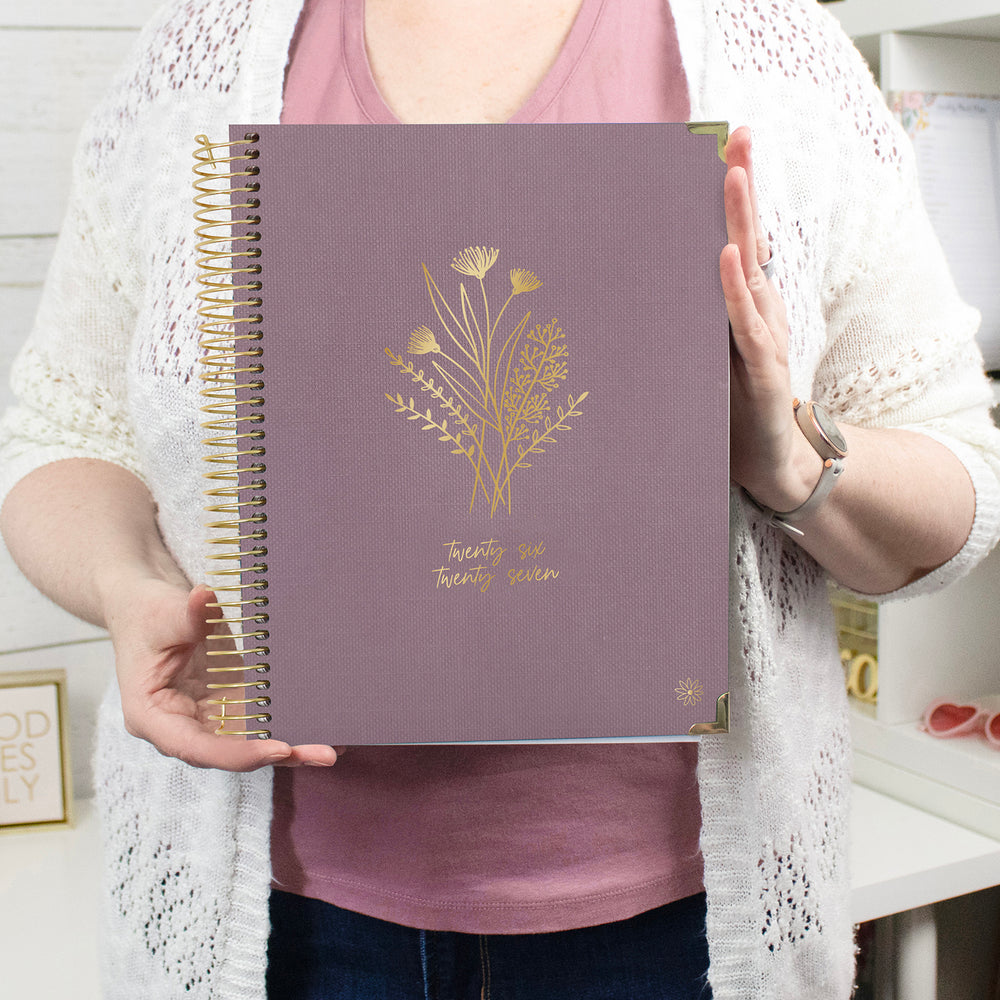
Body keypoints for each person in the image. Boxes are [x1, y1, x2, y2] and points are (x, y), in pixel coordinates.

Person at [2, 0, 998, 997]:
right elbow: (62, 433)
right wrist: (129, 585)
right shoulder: (194, 56)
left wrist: (789, 459)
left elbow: (955, 481)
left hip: (679, 930)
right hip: (278, 921)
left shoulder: (779, 50)